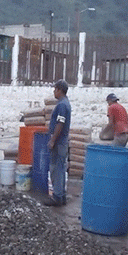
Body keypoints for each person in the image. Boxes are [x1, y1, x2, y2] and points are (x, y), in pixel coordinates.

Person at [45, 79, 71, 207]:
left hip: (59, 142)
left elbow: (60, 123)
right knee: (60, 168)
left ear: (60, 90)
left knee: (57, 169)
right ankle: (61, 195)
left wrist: (52, 140)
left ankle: (57, 196)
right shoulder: (65, 103)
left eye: (55, 89)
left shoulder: (62, 105)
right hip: (62, 142)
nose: (54, 92)